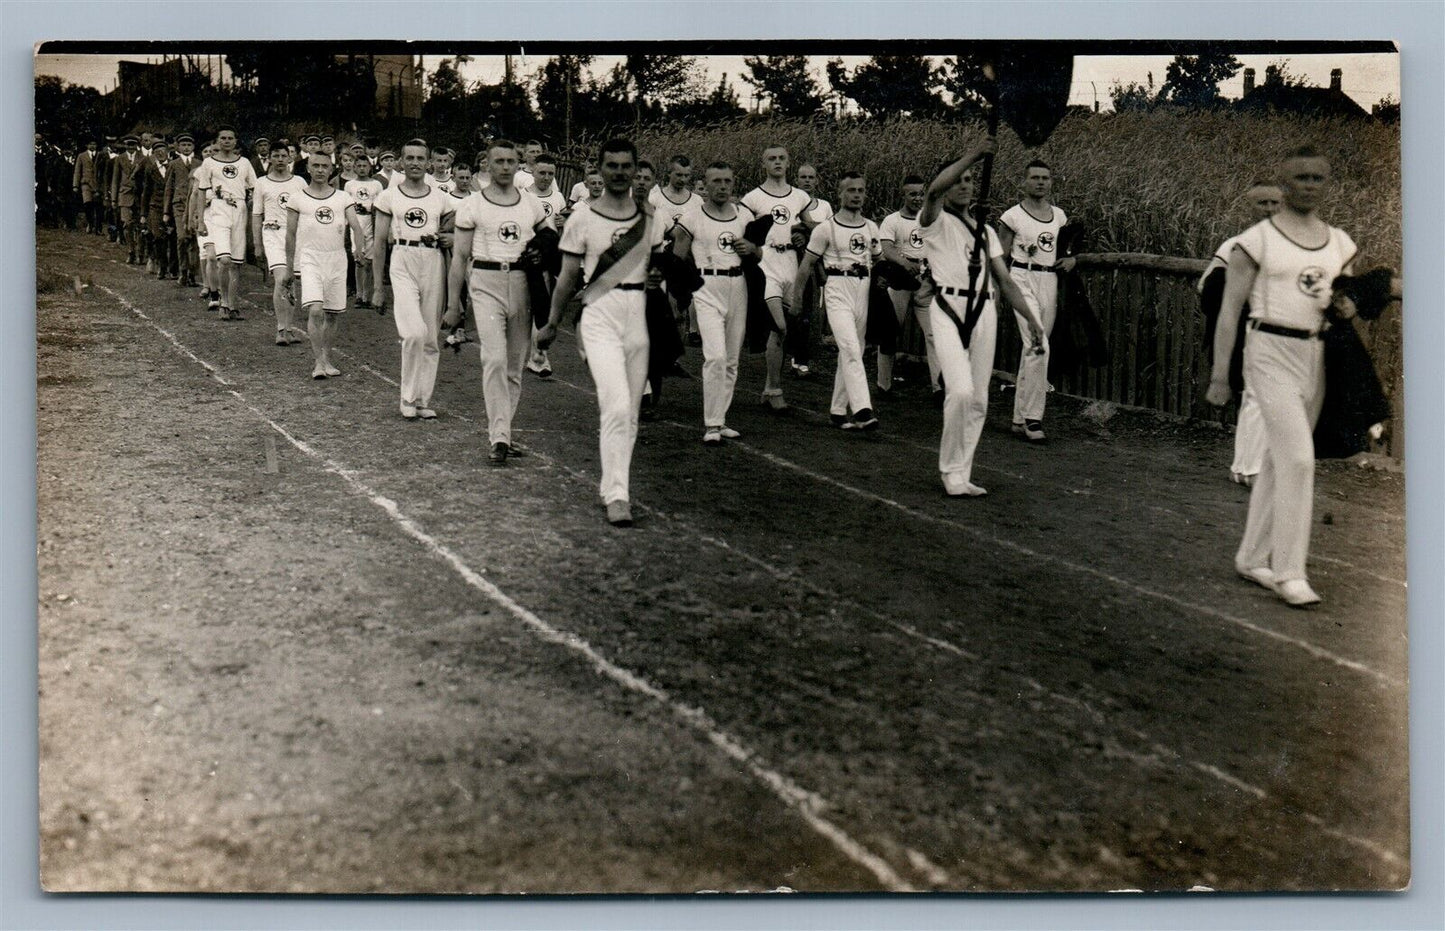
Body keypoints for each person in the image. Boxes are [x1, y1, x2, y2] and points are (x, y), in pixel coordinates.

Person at [1206, 146, 1358, 609]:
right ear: (1284, 181)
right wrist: (1220, 376)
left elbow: (1343, 300)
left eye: (1318, 177)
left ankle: (1252, 558)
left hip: (1315, 355)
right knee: (1298, 460)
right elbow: (1229, 310)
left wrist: (1347, 306)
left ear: (1327, 182)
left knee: (1277, 460)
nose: (1309, 185)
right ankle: (1290, 571)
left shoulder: (1340, 243)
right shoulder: (1256, 241)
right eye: (1300, 177)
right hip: (1267, 350)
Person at [536, 138, 668, 527]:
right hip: (599, 315)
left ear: (634, 169)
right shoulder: (582, 218)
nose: (619, 173)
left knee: (630, 412)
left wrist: (658, 276)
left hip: (637, 315)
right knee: (616, 404)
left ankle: (616, 483)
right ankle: (617, 493)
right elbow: (567, 278)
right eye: (612, 166)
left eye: (626, 166)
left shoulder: (650, 217)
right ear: (600, 168)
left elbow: (655, 265)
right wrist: (553, 323)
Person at [919, 138, 1043, 497]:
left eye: (970, 179)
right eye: (958, 178)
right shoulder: (934, 220)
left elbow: (1004, 280)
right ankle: (948, 470)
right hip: (947, 308)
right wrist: (974, 153)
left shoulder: (985, 231)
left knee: (978, 400)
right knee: (958, 391)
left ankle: (961, 472)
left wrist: (1032, 320)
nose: (964, 184)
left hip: (984, 308)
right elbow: (933, 191)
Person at [446, 139, 554, 464]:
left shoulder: (532, 204)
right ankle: (499, 438)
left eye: (511, 161)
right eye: (499, 162)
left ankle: (503, 431)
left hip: (522, 283)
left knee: (514, 365)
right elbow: (460, 256)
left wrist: (544, 248)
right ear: (487, 165)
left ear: (519, 164)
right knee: (492, 358)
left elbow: (551, 238)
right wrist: (454, 303)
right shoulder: (473, 205)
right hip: (485, 282)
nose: (505, 167)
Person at [1198, 180, 1284, 486]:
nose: (1270, 209)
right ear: (1250, 207)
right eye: (1263, 203)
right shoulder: (1235, 244)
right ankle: (1248, 466)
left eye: (1275, 203)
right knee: (1252, 396)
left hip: (1281, 333)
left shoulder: (1290, 244)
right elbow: (1206, 287)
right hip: (1247, 330)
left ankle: (1247, 465)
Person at [371, 139, 457, 419]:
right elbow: (380, 242)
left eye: (421, 158)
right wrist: (377, 288)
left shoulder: (441, 197)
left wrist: (450, 237)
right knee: (413, 332)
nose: (415, 163)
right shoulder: (389, 196)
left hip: (432, 261)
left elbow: (459, 229)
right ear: (401, 162)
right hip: (402, 258)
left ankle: (422, 399)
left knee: (430, 336)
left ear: (429, 162)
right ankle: (406, 398)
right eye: (410, 158)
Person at [673, 161, 758, 443]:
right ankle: (711, 424)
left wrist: (752, 249)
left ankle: (720, 420)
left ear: (733, 184)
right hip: (706, 286)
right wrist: (681, 294)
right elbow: (678, 257)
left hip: (737, 286)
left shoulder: (743, 216)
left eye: (727, 181)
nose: (722, 187)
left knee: (732, 359)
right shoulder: (692, 216)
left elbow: (758, 256)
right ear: (706, 184)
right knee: (716, 356)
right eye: (716, 181)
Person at [791, 172, 882, 431]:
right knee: (851, 348)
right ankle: (863, 409)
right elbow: (807, 264)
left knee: (853, 350)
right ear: (840, 194)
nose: (856, 195)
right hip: (836, 288)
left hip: (861, 288)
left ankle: (838, 410)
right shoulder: (825, 228)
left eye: (860, 190)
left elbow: (877, 257)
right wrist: (797, 299)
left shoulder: (871, 227)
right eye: (850, 190)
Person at [997, 160, 1075, 442]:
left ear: (1051, 182)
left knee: (1033, 350)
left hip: (1049, 280)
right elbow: (1000, 255)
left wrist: (1073, 258)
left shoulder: (1059, 216)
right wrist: (999, 288)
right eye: (1035, 178)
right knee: (1038, 343)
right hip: (1021, 278)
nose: (1040, 182)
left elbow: (1068, 249)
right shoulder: (1013, 216)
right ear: (1025, 182)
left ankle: (1018, 419)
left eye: (1045, 178)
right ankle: (1033, 419)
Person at [741, 145, 813, 412]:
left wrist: (803, 234)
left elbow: (812, 228)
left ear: (788, 162)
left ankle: (772, 388)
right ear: (764, 163)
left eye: (782, 158)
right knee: (779, 325)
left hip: (791, 264)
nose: (778, 162)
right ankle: (772, 388)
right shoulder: (753, 198)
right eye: (772, 158)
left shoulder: (799, 196)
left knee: (785, 329)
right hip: (766, 263)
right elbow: (744, 232)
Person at [285, 150, 366, 379]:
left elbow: (356, 228)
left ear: (332, 170)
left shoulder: (342, 198)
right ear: (308, 168)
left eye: (325, 166)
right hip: (310, 258)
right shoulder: (297, 198)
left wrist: (358, 250)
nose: (320, 170)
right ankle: (318, 362)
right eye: (316, 165)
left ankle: (327, 357)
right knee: (316, 309)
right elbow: (290, 234)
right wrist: (290, 265)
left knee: (332, 314)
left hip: (337, 258)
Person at [878, 174, 941, 400]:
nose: (917, 198)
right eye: (912, 194)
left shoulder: (931, 220)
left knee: (934, 334)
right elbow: (887, 249)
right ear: (903, 195)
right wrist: (905, 264)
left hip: (925, 283)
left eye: (921, 194)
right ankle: (883, 384)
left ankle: (938, 388)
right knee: (891, 331)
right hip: (900, 280)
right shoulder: (892, 221)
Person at [194, 125, 258, 320]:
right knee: (224, 260)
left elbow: (255, 188)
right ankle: (222, 301)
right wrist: (200, 222)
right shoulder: (209, 163)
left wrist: (253, 204)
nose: (227, 141)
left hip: (239, 210)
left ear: (236, 141)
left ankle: (233, 305)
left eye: (231, 138)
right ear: (217, 141)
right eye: (223, 138)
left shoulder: (245, 162)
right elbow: (202, 191)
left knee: (236, 264)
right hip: (218, 210)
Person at [253, 146, 308, 344]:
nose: (280, 159)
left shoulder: (299, 182)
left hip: (294, 234)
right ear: (270, 159)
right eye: (276, 156)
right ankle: (280, 329)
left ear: (290, 158)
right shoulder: (262, 183)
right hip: (272, 233)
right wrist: (257, 243)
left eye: (284, 156)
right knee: (280, 278)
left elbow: (306, 210)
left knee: (290, 279)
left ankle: (289, 327)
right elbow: (257, 214)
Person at [524, 153, 568, 378]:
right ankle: (528, 354)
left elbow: (559, 225)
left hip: (550, 255)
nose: (546, 177)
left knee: (544, 305)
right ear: (532, 171)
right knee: (525, 307)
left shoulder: (558, 197)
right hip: (529, 255)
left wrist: (563, 222)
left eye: (551, 173)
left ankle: (539, 357)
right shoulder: (523, 195)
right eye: (542, 172)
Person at [788, 163, 833, 377]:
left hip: (817, 263)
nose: (807, 180)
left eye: (811, 177)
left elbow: (829, 232)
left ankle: (802, 357)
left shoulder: (824, 206)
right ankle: (794, 354)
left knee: (810, 311)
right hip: (792, 260)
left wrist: (805, 231)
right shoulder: (789, 203)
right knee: (794, 308)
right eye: (802, 176)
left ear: (817, 181)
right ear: (796, 180)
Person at [345, 155, 385, 309]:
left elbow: (381, 205)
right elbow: (346, 205)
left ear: (370, 167)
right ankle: (359, 294)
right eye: (359, 165)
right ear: (354, 167)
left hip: (371, 223)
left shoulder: (376, 185)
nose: (362, 168)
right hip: (356, 223)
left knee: (369, 261)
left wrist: (370, 208)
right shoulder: (350, 185)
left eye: (364, 166)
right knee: (358, 260)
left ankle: (367, 296)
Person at [163, 134, 200, 288]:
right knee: (182, 237)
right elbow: (168, 188)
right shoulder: (173, 164)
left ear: (193, 147)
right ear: (178, 147)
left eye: (189, 145)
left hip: (195, 205)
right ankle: (183, 271)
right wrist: (166, 211)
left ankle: (192, 273)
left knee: (194, 240)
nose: (186, 148)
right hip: (178, 205)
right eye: (183, 145)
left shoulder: (200, 163)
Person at [137, 139, 174, 278]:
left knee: (173, 237)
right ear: (154, 154)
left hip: (171, 206)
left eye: (163, 151)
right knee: (159, 237)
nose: (161, 154)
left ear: (168, 153)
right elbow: (146, 192)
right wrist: (143, 213)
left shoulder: (173, 166)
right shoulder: (150, 169)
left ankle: (173, 268)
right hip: (155, 206)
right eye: (157, 152)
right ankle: (162, 267)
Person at [111, 135, 143, 265]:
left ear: (136, 145)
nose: (131, 147)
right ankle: (131, 251)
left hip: (139, 196)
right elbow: (115, 180)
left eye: (133, 145)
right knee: (127, 225)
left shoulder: (143, 158)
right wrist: (114, 199)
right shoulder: (120, 159)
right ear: (125, 145)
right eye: (128, 145)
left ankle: (140, 252)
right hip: (124, 196)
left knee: (141, 226)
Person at [72, 139, 102, 234]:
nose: (92, 146)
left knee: (98, 205)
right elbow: (77, 171)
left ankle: (98, 227)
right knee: (88, 204)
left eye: (94, 144)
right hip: (86, 183)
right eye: (90, 144)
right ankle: (90, 223)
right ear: (86, 145)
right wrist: (75, 185)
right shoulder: (81, 156)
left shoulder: (100, 155)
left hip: (98, 184)